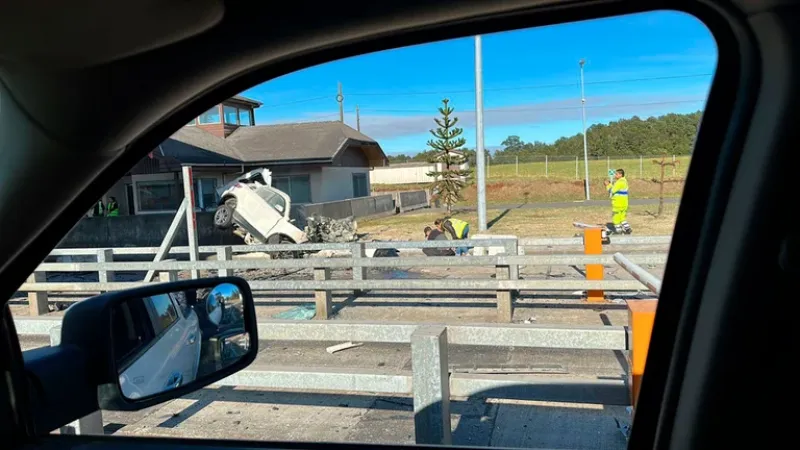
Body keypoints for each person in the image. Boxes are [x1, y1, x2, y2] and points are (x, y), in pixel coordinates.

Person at [604, 168, 632, 234]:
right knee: (622, 218)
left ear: (620, 175)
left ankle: (618, 231)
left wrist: (607, 185)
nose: (615, 175)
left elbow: (612, 191)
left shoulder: (619, 182)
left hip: (618, 203)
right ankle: (628, 229)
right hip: (624, 203)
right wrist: (610, 184)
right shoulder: (624, 181)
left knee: (616, 218)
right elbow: (616, 189)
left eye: (616, 174)